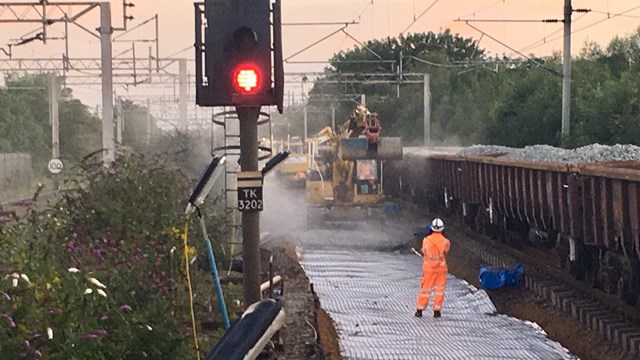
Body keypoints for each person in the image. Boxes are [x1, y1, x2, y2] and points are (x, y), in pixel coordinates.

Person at [415, 218, 450, 318]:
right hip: (440, 269)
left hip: (428, 269)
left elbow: (423, 250)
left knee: (425, 289)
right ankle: (437, 311)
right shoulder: (445, 241)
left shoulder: (426, 240)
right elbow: (446, 250)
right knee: (439, 290)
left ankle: (419, 310)